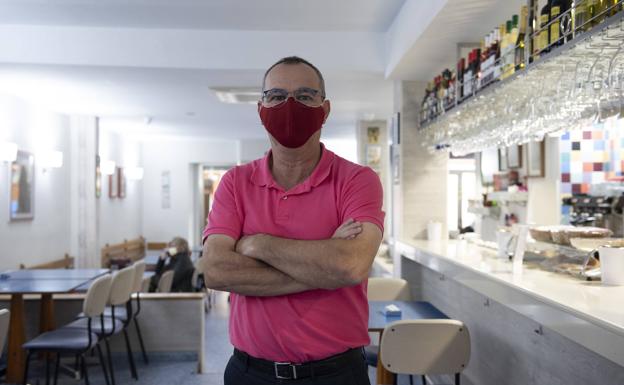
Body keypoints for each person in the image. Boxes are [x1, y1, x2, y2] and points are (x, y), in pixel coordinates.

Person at [202, 56, 384, 385]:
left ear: (324, 110)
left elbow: (351, 266)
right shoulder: (235, 183)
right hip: (249, 373)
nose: (289, 106)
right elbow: (215, 270)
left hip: (336, 374)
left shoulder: (357, 180)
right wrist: (324, 264)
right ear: (261, 110)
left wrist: (257, 243)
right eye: (275, 96)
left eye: (304, 96)